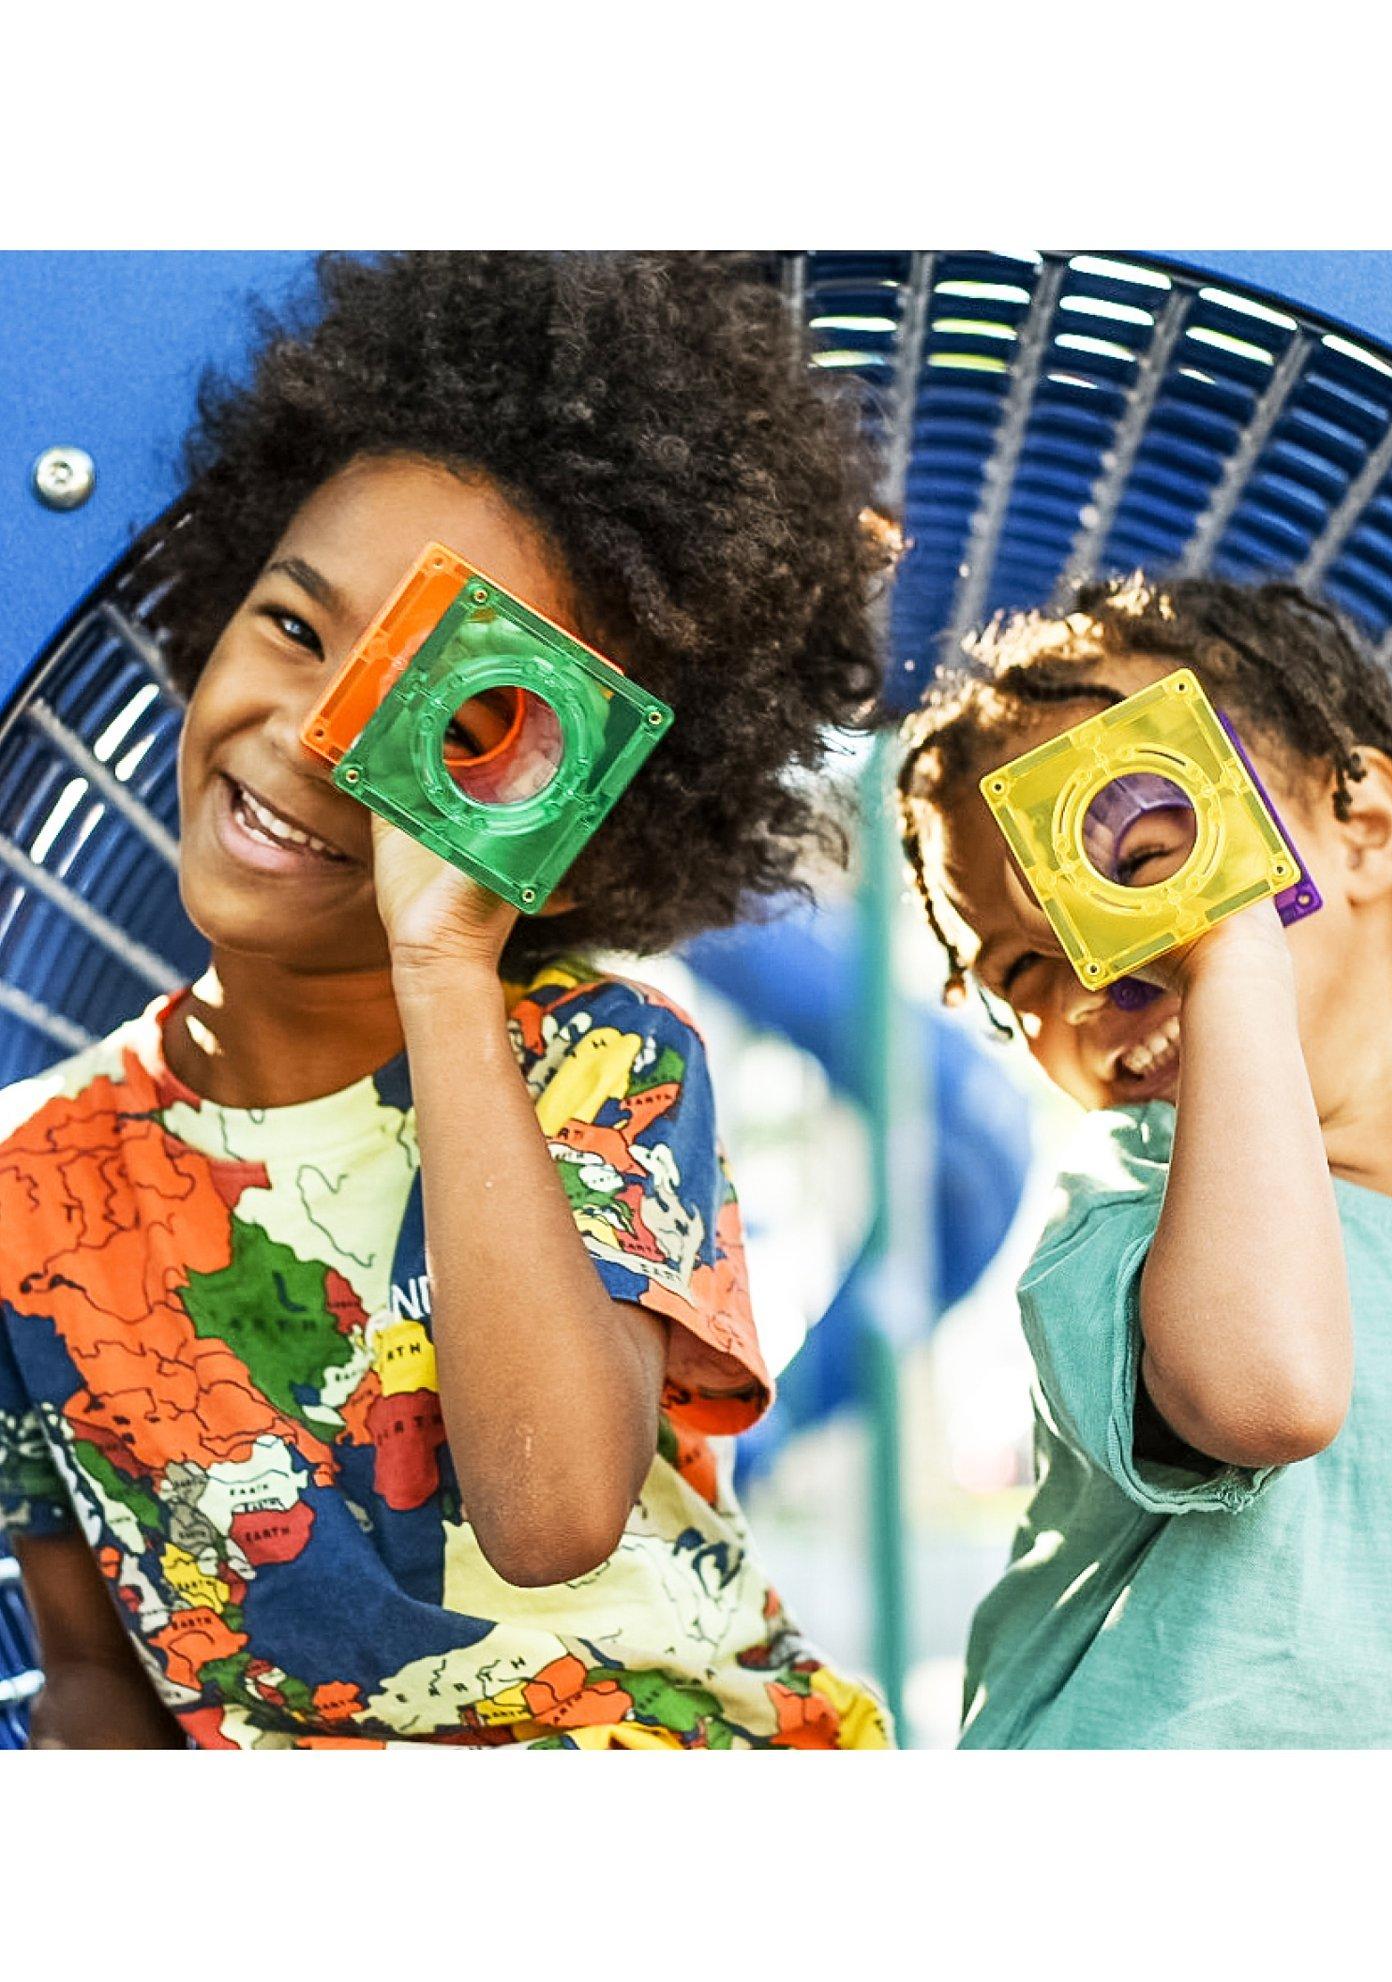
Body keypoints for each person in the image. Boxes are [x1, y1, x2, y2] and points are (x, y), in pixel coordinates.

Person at [0, 251, 892, 1750]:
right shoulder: (28, 1183)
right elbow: (94, 1668)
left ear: (576, 833)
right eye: (295, 627)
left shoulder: (600, 1062)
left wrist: (442, 964)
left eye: (457, 726)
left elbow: (551, 1513)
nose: (316, 737)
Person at [897, 574, 1392, 1748]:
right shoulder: (1136, 1190)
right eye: (1021, 970)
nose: (1095, 974)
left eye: (1140, 860)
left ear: (1366, 825)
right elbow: (1263, 1393)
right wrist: (1231, 951)